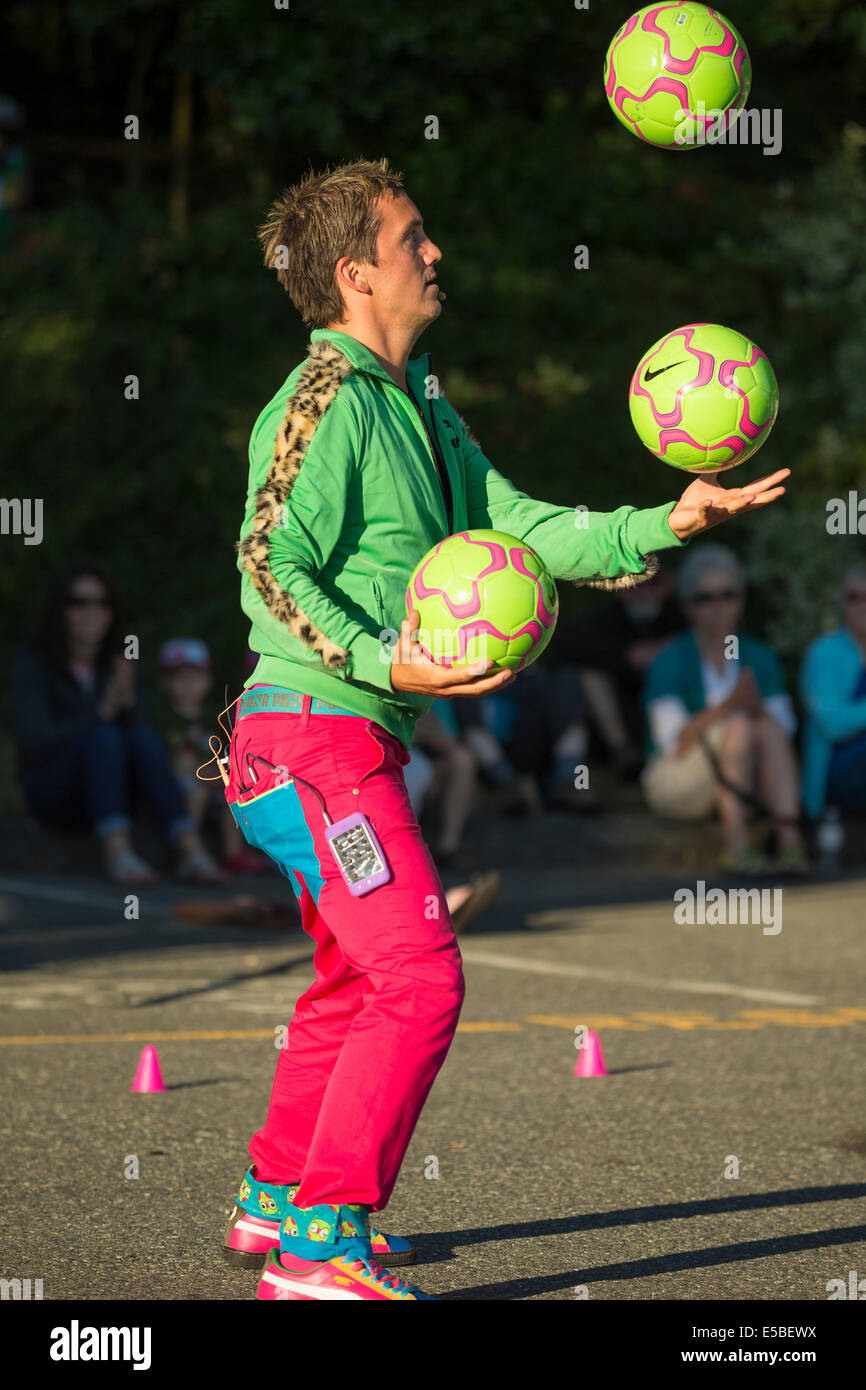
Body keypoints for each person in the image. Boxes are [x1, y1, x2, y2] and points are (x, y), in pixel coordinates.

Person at [221, 157, 790, 1303]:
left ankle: (278, 1197)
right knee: (419, 976)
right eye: (411, 237)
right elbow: (264, 565)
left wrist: (661, 521)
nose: (433, 253)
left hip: (348, 743)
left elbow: (522, 524)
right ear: (354, 273)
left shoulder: (418, 401)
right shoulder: (320, 403)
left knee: (350, 981)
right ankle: (320, 1246)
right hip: (309, 738)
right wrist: (390, 658)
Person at [12, 566, 224, 885]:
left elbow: (141, 741)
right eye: (78, 602)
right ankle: (117, 851)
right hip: (55, 792)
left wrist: (125, 704)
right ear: (61, 610)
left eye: (101, 603)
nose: (91, 612)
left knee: (138, 738)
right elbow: (35, 745)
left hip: (113, 788)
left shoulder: (119, 664)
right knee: (102, 736)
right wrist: (102, 712)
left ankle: (189, 849)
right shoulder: (35, 665)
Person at [641, 544, 808, 875]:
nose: (718, 606)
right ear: (688, 606)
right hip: (677, 779)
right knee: (742, 725)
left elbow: (784, 731)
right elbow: (673, 744)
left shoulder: (759, 656)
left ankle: (791, 844)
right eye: (706, 598)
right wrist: (731, 707)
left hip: (749, 774)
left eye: (727, 595)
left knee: (763, 726)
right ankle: (737, 847)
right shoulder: (670, 660)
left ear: (740, 601)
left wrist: (754, 708)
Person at [560, 557, 685, 779]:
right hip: (621, 713)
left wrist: (663, 653)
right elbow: (572, 649)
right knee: (589, 676)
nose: (642, 591)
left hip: (673, 711)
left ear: (668, 584)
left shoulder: (683, 616)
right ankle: (623, 753)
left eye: (652, 583)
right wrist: (627, 656)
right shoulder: (603, 618)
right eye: (634, 582)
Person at [158, 636, 266, 875]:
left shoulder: (213, 720)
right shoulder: (164, 721)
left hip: (212, 786)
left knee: (235, 792)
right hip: (179, 787)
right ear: (165, 682)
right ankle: (187, 853)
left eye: (195, 677)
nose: (188, 685)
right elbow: (177, 764)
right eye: (180, 678)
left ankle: (233, 853)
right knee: (196, 791)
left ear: (208, 680)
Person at [799, 563, 866, 821]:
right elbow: (831, 724)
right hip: (835, 777)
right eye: (853, 597)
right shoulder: (823, 653)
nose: (862, 604)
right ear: (841, 603)